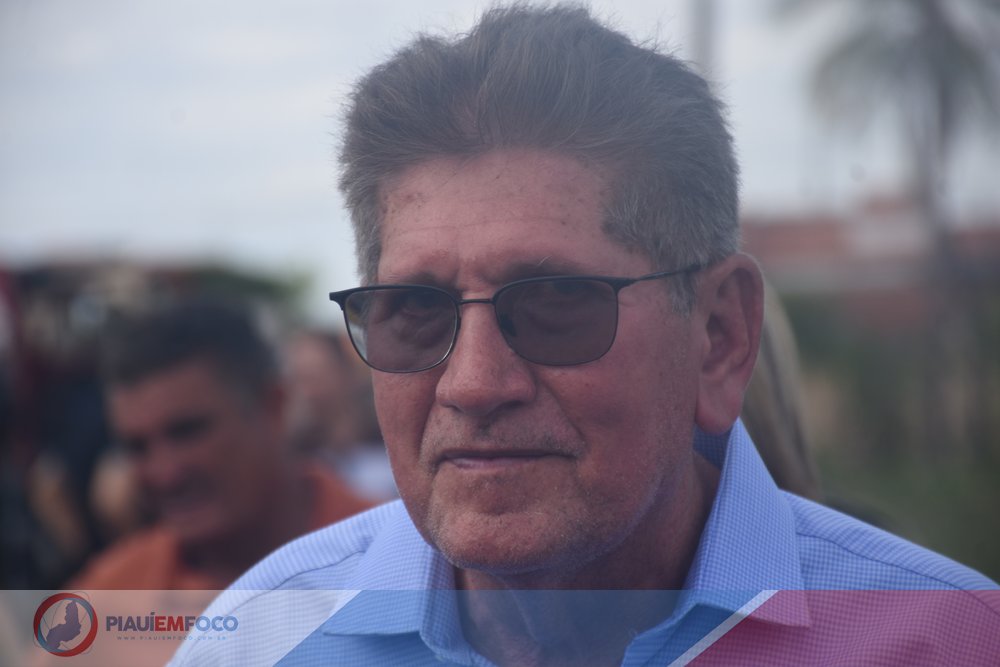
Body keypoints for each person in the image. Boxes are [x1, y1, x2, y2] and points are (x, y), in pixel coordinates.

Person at [172, 6, 998, 666]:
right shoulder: (259, 642)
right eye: (416, 312)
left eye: (556, 303)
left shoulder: (947, 643)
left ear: (719, 335)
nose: (474, 382)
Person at [70, 297, 371, 591]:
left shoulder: (386, 555)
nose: (165, 474)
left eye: (187, 433)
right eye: (137, 448)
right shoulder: (107, 597)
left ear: (272, 407)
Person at [283, 328, 396, 501]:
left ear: (346, 372)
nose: (309, 391)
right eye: (300, 379)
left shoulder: (389, 441)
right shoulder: (298, 461)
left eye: (316, 376)